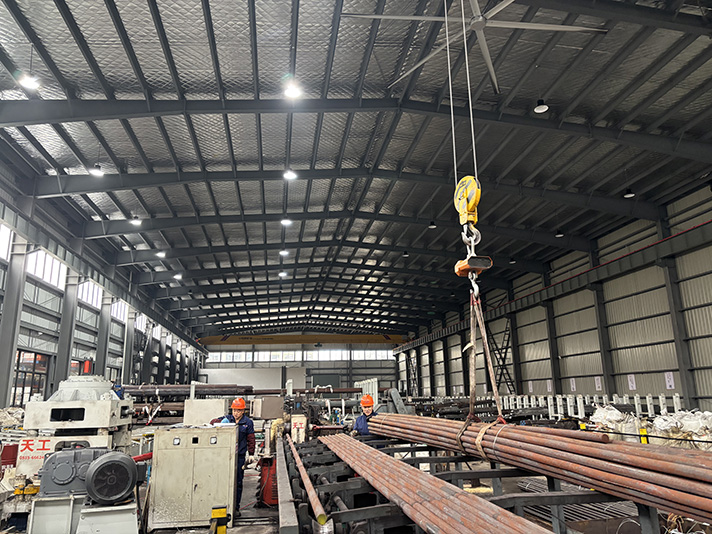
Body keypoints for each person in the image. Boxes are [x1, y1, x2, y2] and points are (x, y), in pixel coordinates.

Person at [210, 398, 255, 517]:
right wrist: (218, 422)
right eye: (234, 410)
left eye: (238, 411)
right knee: (223, 480)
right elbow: (212, 422)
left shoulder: (248, 422)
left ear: (243, 411)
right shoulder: (227, 419)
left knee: (238, 482)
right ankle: (223, 505)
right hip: (226, 456)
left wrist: (251, 454)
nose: (236, 413)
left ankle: (236, 507)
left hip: (239, 456)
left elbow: (251, 438)